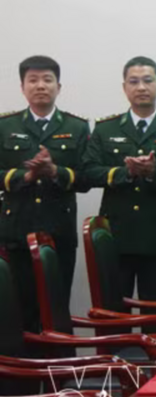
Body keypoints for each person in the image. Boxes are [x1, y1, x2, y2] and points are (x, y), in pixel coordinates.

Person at [83, 57, 156, 313]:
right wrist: (126, 173)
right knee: (114, 315)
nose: (141, 87)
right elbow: (88, 173)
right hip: (115, 237)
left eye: (148, 80)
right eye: (134, 81)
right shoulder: (105, 129)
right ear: (124, 87)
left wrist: (155, 173)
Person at [0, 55, 90, 329]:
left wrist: (55, 171)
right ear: (22, 87)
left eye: (47, 80)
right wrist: (25, 176)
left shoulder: (76, 127)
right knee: (20, 312)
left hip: (58, 232)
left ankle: (57, 359)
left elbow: (86, 178)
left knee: (56, 310)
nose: (40, 86)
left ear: (58, 87)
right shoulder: (5, 125)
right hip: (16, 231)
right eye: (33, 80)